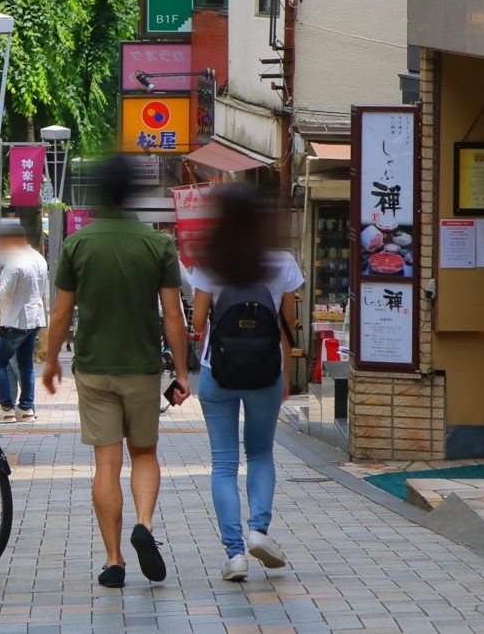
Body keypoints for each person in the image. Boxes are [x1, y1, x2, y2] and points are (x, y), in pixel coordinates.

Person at [41, 157, 190, 590]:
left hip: (93, 368)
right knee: (143, 454)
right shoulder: (157, 245)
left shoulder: (78, 244)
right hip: (142, 367)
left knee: (106, 463)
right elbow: (173, 317)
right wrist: (181, 373)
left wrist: (51, 361)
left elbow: (61, 312)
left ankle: (113, 561)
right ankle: (143, 523)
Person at [187, 183, 303, 582]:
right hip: (266, 372)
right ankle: (259, 530)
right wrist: (286, 375)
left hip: (216, 372)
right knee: (260, 454)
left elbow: (199, 322)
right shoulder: (282, 261)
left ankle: (234, 554)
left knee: (223, 463)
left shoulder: (210, 261)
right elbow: (289, 325)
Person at [0, 219, 48, 422]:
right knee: (26, 364)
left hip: (15, 321)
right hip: (34, 318)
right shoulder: (38, 258)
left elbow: (6, 293)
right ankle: (26, 407)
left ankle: (6, 408)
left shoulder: (14, 262)